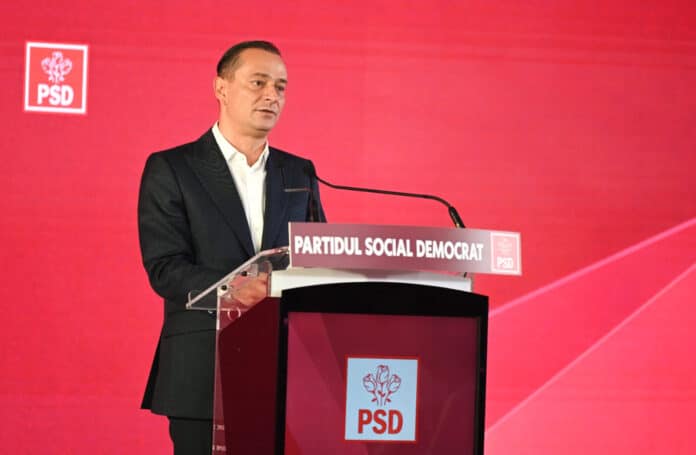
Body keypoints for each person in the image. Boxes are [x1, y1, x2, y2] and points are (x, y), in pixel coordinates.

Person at [137, 40, 325, 454]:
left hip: (284, 368)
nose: (272, 95)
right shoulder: (173, 168)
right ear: (221, 88)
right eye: (258, 82)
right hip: (202, 369)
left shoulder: (299, 173)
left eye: (280, 87)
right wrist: (238, 287)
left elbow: (319, 259)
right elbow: (166, 267)